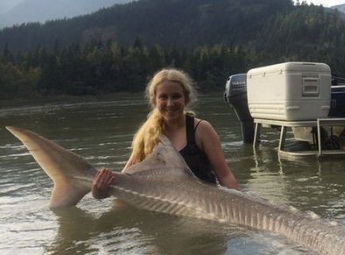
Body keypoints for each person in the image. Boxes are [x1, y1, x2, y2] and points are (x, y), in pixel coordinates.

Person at [92, 68, 239, 198]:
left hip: (204, 205)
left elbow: (225, 176)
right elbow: (123, 180)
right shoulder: (147, 134)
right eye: (163, 97)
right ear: (154, 101)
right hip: (163, 206)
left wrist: (241, 204)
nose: (170, 104)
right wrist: (99, 192)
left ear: (186, 98)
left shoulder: (202, 129)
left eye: (176, 96)